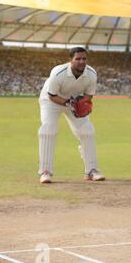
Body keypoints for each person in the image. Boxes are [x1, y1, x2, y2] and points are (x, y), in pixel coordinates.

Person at [38, 47, 105, 183]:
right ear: (70, 60)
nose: (81, 62)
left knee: (87, 131)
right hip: (52, 101)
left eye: (84, 59)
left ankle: (91, 170)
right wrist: (68, 103)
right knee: (48, 130)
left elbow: (89, 95)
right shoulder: (58, 72)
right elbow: (52, 96)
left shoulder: (91, 74)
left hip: (74, 102)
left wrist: (83, 104)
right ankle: (45, 171)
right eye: (78, 59)